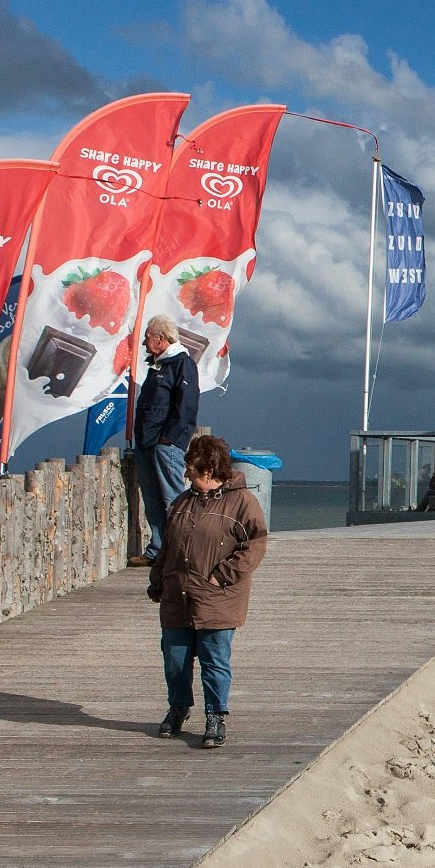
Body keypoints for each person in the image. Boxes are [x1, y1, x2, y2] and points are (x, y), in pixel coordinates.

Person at [148, 433, 268, 749]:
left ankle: (215, 716)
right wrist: (157, 579)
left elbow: (255, 545)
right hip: (177, 597)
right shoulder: (182, 503)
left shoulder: (243, 503)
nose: (186, 474)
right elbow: (168, 546)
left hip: (217, 600)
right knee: (175, 659)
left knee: (215, 661)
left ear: (208, 471)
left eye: (191, 469)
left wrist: (221, 577)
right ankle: (178, 708)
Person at [127, 314, 200, 566]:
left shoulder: (182, 364)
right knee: (152, 500)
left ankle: (184, 552)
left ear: (160, 338)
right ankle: (157, 550)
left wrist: (169, 439)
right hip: (146, 442)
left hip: (165, 443)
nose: (145, 343)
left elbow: (186, 405)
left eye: (148, 337)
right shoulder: (157, 365)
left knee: (173, 499)